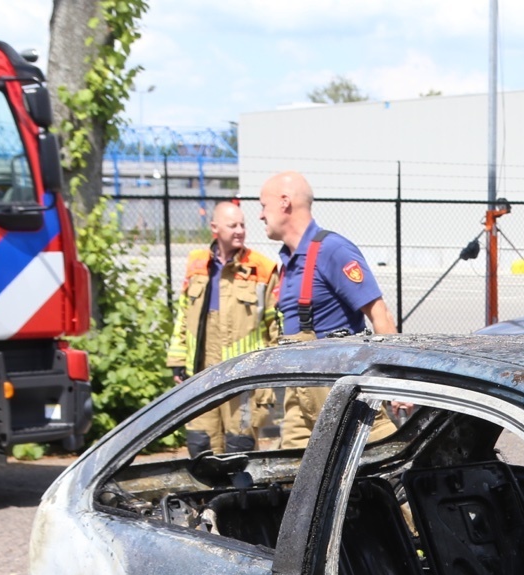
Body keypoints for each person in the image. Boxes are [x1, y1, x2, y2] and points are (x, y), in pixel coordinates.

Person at [257, 171, 397, 449]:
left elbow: (380, 314)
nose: (261, 215)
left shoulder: (332, 250)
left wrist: (396, 384)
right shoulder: (288, 262)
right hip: (299, 392)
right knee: (292, 476)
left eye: (263, 205)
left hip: (339, 390)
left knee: (383, 459)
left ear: (285, 202)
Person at [167, 200, 277, 456]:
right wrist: (177, 360)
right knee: (200, 444)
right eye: (232, 225)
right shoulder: (197, 264)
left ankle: (239, 498)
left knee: (239, 448)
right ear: (215, 228)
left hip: (242, 380)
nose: (239, 230)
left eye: (242, 224)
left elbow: (275, 327)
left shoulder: (261, 268)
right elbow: (183, 315)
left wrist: (270, 376)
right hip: (200, 376)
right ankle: (205, 498)